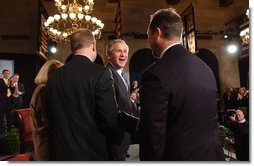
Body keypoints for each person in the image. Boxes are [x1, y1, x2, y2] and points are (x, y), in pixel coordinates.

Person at [139, 8, 225, 161]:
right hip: (211, 156)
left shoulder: (154, 74)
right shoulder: (205, 68)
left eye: (148, 34)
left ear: (157, 33)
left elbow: (152, 136)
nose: (147, 39)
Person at [45, 28, 118, 160]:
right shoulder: (101, 73)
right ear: (94, 45)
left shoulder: (53, 77)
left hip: (60, 154)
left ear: (72, 48)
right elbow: (110, 120)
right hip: (92, 154)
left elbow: (49, 117)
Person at [30, 59, 64, 160]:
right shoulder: (43, 89)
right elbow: (48, 120)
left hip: (50, 142)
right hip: (47, 144)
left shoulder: (47, 89)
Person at [105, 39, 133, 161]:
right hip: (115, 135)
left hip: (125, 133)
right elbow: (109, 108)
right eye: (119, 51)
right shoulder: (107, 74)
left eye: (125, 51)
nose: (123, 55)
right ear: (108, 55)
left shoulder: (121, 73)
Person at [0, 69, 12, 134]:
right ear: (3, 74)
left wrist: (11, 85)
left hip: (9, 100)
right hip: (2, 101)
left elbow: (11, 90)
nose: (7, 74)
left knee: (9, 116)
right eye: (6, 73)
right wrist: (7, 85)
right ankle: (1, 131)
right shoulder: (0, 81)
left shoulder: (10, 81)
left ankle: (9, 130)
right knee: (1, 116)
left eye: (8, 73)